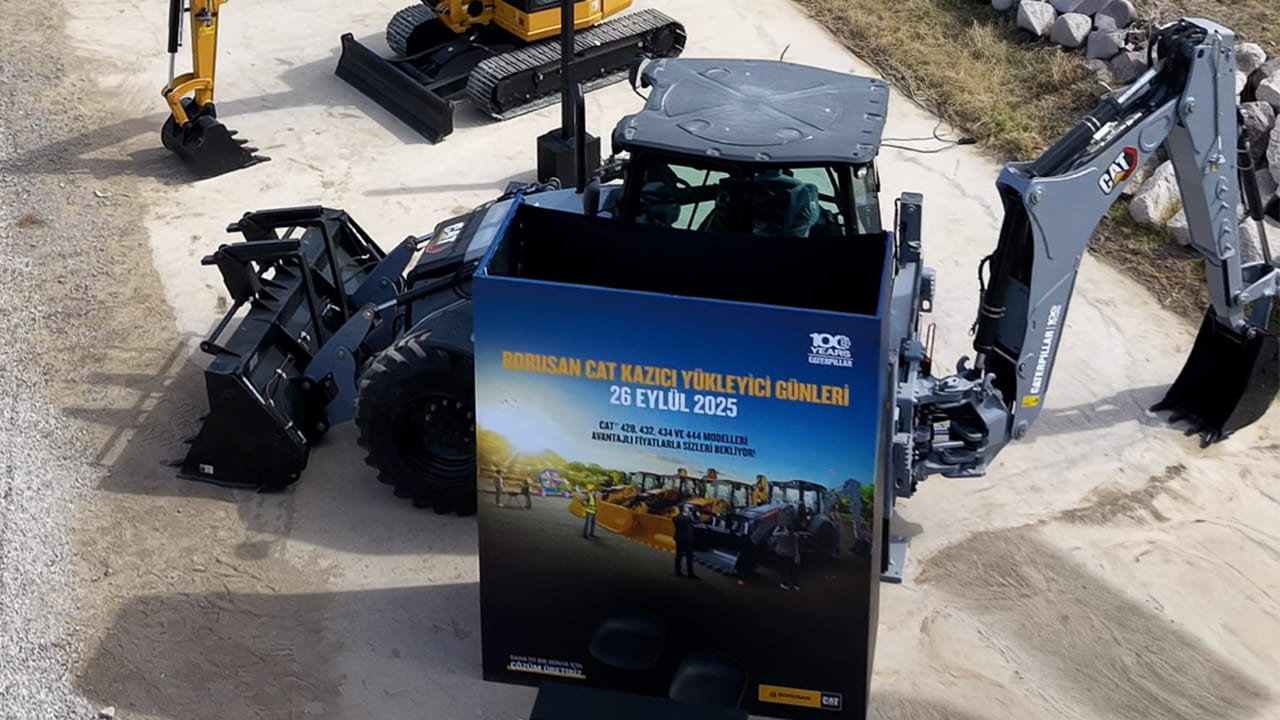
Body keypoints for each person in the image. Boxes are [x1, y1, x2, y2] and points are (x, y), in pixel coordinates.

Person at [770, 524, 801, 591]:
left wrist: (777, 528)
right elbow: (796, 546)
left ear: (785, 529)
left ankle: (784, 584)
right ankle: (796, 585)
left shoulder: (781, 535)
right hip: (790, 555)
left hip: (781, 554)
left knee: (782, 569)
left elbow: (773, 534)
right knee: (791, 570)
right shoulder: (795, 536)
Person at [672, 506, 698, 579]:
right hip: (687, 539)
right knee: (689, 557)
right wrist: (693, 515)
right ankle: (690, 573)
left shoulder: (676, 518)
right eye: (688, 508)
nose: (689, 510)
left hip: (680, 538)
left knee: (679, 555)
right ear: (684, 510)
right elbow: (696, 522)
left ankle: (678, 571)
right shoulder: (687, 519)